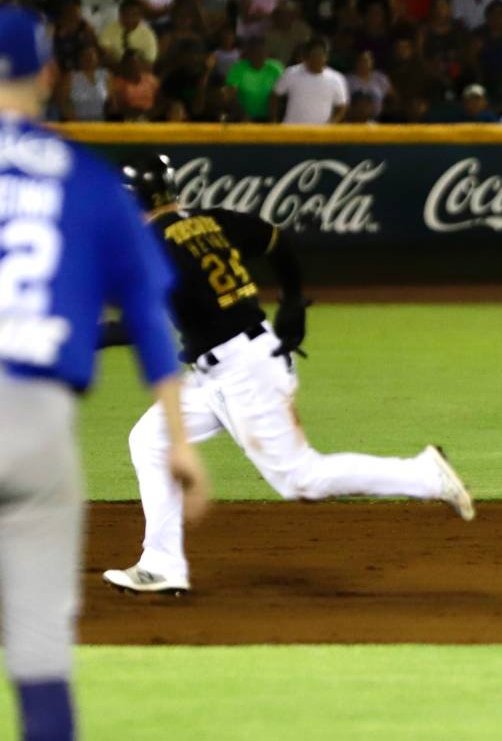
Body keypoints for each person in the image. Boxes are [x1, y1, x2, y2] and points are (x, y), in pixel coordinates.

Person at [101, 154, 472, 596]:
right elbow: (276, 240)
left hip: (243, 371)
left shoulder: (151, 245)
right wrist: (293, 299)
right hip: (221, 369)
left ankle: (425, 475)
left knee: (301, 478)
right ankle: (161, 563)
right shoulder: (209, 220)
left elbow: (138, 326)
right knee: (150, 440)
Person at [0, 5, 206, 741]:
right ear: (49, 75)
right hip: (36, 432)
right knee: (39, 656)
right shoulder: (87, 183)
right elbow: (151, 318)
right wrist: (178, 440)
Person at [270, 39, 349, 125]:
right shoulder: (291, 73)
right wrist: (273, 120)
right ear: (307, 56)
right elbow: (275, 95)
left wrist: (331, 124)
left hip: (320, 134)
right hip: (292, 131)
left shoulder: (336, 78)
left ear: (326, 57)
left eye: (321, 54)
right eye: (314, 54)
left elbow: (342, 106)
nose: (318, 58)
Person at [224, 35, 283, 122]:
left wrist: (273, 118)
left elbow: (278, 95)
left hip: (270, 116)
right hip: (242, 117)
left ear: (267, 53)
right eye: (255, 52)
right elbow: (231, 94)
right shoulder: (238, 68)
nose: (258, 55)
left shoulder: (276, 68)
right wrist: (243, 116)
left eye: (262, 52)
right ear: (249, 54)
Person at [98, 0, 158, 67]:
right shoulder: (109, 29)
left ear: (141, 16)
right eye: (126, 15)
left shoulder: (148, 34)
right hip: (114, 70)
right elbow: (104, 52)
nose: (130, 19)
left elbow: (149, 61)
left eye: (134, 15)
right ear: (120, 15)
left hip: (139, 72)